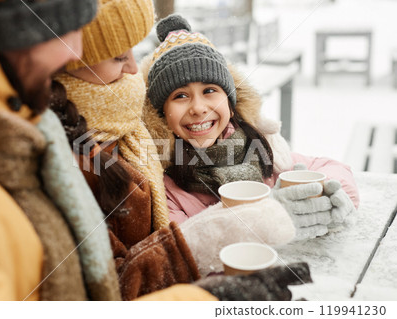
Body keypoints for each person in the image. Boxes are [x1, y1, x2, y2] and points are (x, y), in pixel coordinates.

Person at [0, 0, 217, 301]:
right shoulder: (47, 147)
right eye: (116, 55)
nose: (75, 50)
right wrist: (213, 284)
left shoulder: (128, 124)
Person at [52, 0, 295, 299]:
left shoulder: (129, 129)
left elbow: (319, 169)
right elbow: (106, 286)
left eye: (210, 91)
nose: (131, 67)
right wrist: (204, 239)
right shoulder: (123, 157)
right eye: (118, 56)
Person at [143, 14, 359, 241]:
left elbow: (331, 168)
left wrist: (331, 198)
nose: (198, 108)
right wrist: (267, 216)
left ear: (231, 104)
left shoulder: (259, 146)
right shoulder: (161, 181)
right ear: (161, 115)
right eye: (181, 95)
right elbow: (184, 246)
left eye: (209, 91)